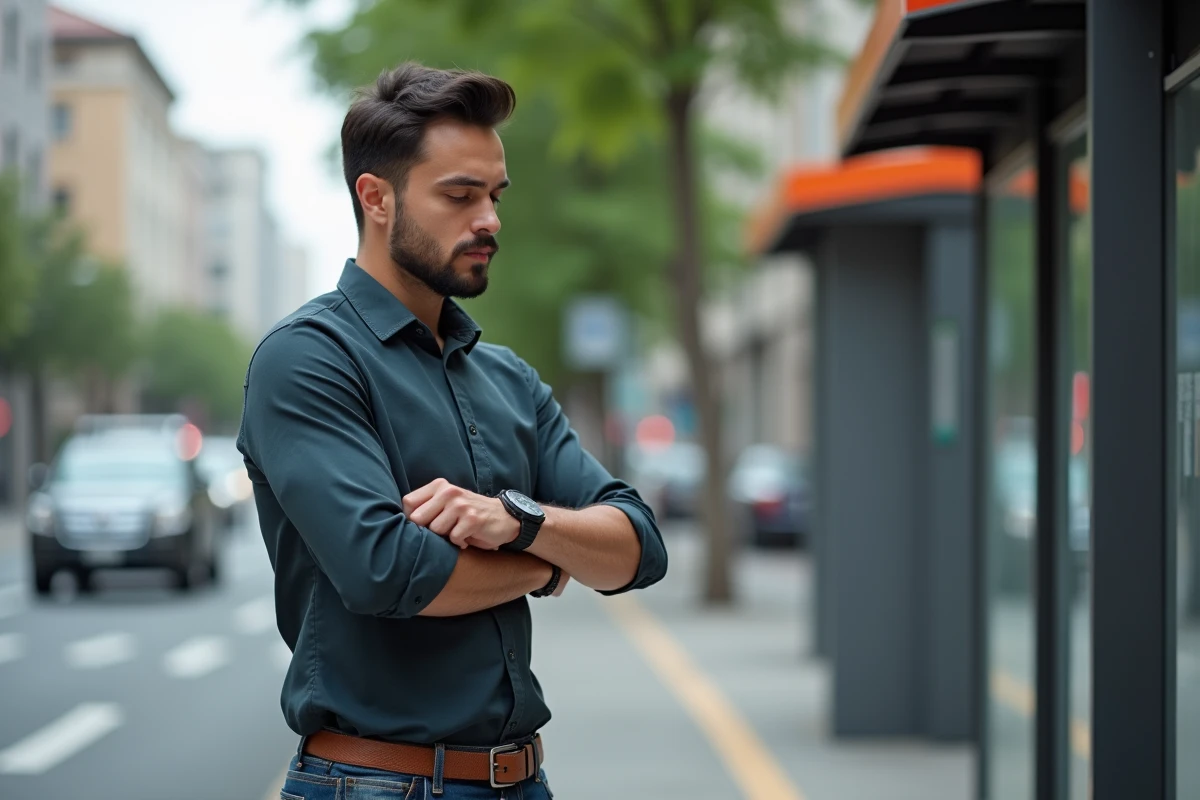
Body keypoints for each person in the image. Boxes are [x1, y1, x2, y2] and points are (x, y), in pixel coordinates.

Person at [237, 62, 668, 799]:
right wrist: (552, 558)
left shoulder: (507, 379)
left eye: (494, 195)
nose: (490, 220)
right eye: (460, 195)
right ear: (376, 198)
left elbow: (639, 547)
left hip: (521, 780)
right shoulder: (307, 359)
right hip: (373, 785)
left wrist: (514, 521)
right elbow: (388, 570)